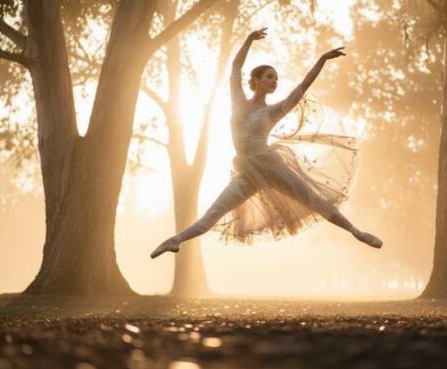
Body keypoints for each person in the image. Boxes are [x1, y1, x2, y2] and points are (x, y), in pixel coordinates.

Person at [151, 27, 382, 259]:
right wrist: (249, 40)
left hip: (272, 167)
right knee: (213, 214)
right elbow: (235, 67)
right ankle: (175, 240)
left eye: (276, 78)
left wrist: (321, 60)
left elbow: (302, 88)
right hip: (247, 174)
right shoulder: (237, 101)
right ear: (256, 80)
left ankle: (356, 232)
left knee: (314, 200)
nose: (274, 81)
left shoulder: (273, 112)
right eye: (270, 77)